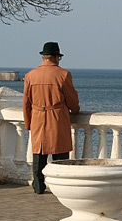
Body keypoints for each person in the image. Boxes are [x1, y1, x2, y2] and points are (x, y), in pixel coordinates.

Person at [22, 42, 80, 194]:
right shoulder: (63, 74)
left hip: (37, 118)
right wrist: (75, 110)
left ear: (43, 57)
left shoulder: (30, 75)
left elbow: (26, 102)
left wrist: (28, 123)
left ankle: (38, 185)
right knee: (60, 154)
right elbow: (72, 99)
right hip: (57, 117)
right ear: (56, 57)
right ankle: (60, 186)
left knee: (39, 154)